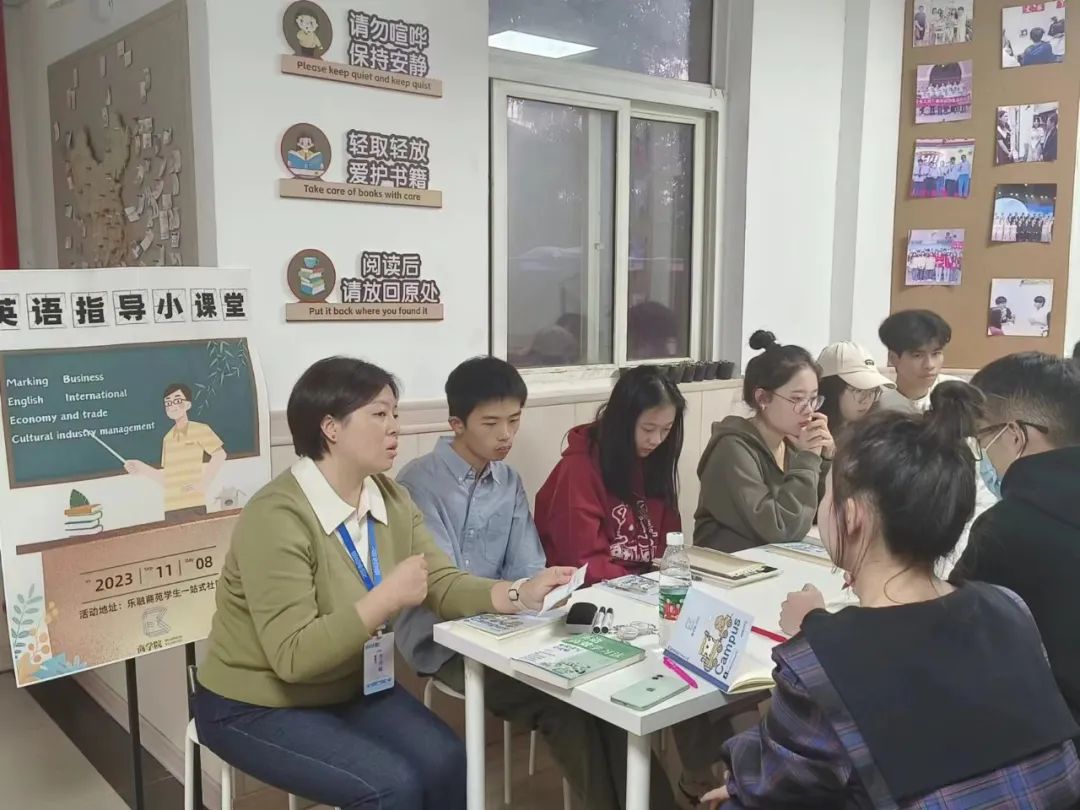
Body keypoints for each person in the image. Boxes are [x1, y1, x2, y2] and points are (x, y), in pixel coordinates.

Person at [192, 357, 576, 810]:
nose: (395, 426)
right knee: (391, 787)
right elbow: (293, 657)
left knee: (448, 761)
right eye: (379, 414)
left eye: (394, 412)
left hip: (348, 686)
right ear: (330, 428)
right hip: (254, 703)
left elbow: (442, 582)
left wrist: (517, 593)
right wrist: (386, 597)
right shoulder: (277, 516)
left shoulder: (390, 497)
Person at [701, 383, 1080, 809]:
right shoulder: (1008, 607)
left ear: (852, 517)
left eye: (828, 494)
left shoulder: (820, 662)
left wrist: (737, 781)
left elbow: (770, 783)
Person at [395, 355, 677, 810]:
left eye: (514, 420)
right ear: (456, 424)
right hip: (444, 642)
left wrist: (526, 595)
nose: (506, 435)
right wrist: (514, 597)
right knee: (565, 705)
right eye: (491, 423)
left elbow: (529, 566)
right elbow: (443, 587)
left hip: (515, 630)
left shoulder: (507, 480)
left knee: (604, 691)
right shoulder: (417, 484)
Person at [952, 353, 1080, 735]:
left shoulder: (1007, 527)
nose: (983, 457)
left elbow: (952, 634)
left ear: (1014, 436)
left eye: (982, 439)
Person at [535, 365, 685, 586]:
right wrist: (641, 585)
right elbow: (581, 562)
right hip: (594, 589)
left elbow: (669, 546)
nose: (657, 440)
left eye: (666, 429)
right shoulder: (579, 468)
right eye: (648, 429)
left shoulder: (655, 458)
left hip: (645, 586)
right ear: (623, 421)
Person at [694, 330, 833, 553]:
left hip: (772, 561)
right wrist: (808, 461)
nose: (809, 410)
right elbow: (781, 529)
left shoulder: (793, 442)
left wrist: (825, 459)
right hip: (728, 565)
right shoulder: (732, 448)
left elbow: (825, 516)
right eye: (797, 399)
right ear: (762, 398)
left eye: (813, 398)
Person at [124, 383, 226, 523]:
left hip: (193, 503)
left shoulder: (200, 429)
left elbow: (220, 454)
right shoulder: (168, 438)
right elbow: (167, 479)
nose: (172, 406)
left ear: (188, 405)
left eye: (177, 400)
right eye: (168, 403)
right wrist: (141, 467)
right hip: (171, 506)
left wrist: (203, 484)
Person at [877, 310, 958, 414]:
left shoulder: (956, 393)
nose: (929, 365)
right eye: (917, 355)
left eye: (936, 353)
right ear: (893, 358)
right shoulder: (879, 405)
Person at [816, 342, 895, 437]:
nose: (866, 400)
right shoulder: (807, 435)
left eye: (873, 390)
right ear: (830, 389)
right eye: (858, 390)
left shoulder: (876, 434)